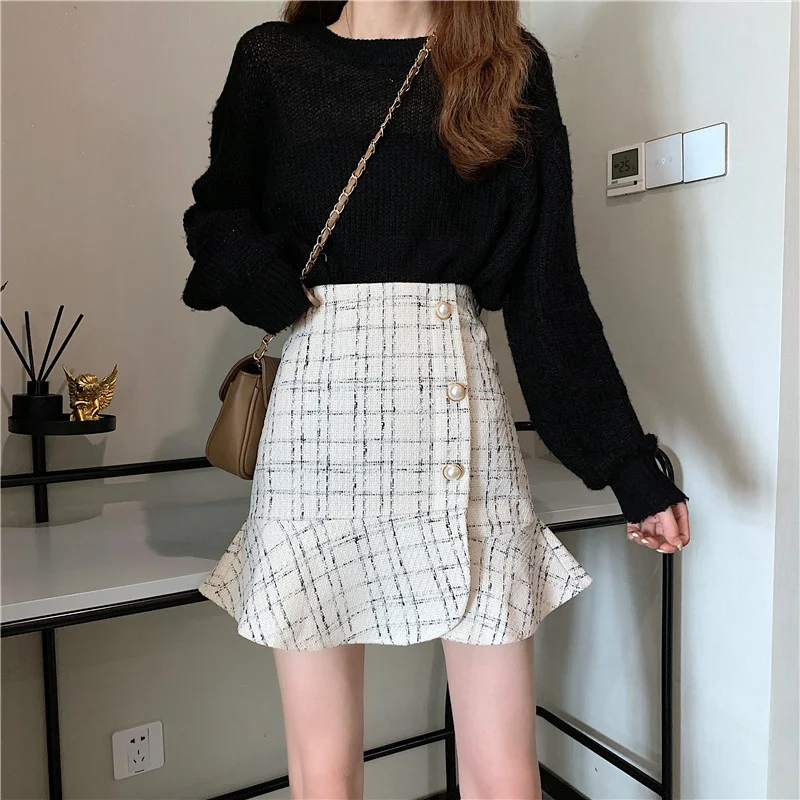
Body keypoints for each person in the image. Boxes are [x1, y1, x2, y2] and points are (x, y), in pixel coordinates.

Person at [180, 1, 692, 797]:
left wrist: (630, 466)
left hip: (462, 423)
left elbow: (548, 290)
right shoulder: (274, 62)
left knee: (504, 776)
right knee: (323, 772)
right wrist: (257, 276)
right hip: (318, 426)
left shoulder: (508, 65)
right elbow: (217, 213)